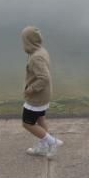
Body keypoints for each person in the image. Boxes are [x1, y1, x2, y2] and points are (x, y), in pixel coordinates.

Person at [20, 26, 62, 158]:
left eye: (24, 41)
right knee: (40, 120)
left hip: (37, 98)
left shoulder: (36, 58)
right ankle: (44, 146)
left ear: (28, 41)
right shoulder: (41, 51)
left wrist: (31, 89)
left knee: (27, 123)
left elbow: (44, 78)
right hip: (44, 96)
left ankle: (52, 142)